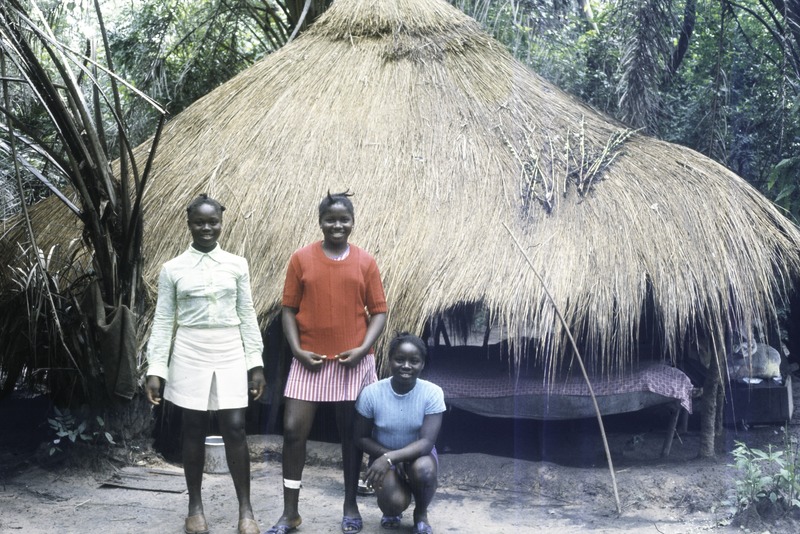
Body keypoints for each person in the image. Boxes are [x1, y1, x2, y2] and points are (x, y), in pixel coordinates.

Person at [267, 191, 387, 534]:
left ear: (353, 222)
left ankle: (350, 505)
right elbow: (288, 310)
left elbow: (379, 311)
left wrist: (363, 349)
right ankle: (291, 512)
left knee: (351, 435)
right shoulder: (301, 259)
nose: (337, 225)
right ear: (320, 222)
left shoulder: (365, 261)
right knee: (292, 431)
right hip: (310, 360)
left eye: (343, 219)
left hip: (353, 361)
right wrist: (298, 350)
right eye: (330, 219)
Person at [145, 194, 266, 534]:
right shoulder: (173, 269)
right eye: (200, 222)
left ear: (221, 223)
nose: (207, 228)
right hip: (189, 348)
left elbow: (246, 315)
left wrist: (254, 364)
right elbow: (164, 320)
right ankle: (195, 507)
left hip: (229, 346)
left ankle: (246, 511)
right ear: (188, 223)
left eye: (213, 222)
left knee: (236, 427)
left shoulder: (237, 264)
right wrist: (156, 369)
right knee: (193, 428)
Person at [354, 333, 445, 534]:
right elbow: (360, 437)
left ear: (422, 364)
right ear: (389, 360)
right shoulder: (371, 393)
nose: (406, 365)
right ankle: (392, 511)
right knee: (393, 502)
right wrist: (389, 458)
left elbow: (427, 442)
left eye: (414, 361)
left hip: (419, 457)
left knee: (424, 471)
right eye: (399, 359)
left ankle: (420, 513)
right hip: (382, 456)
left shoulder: (432, 393)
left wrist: (392, 457)